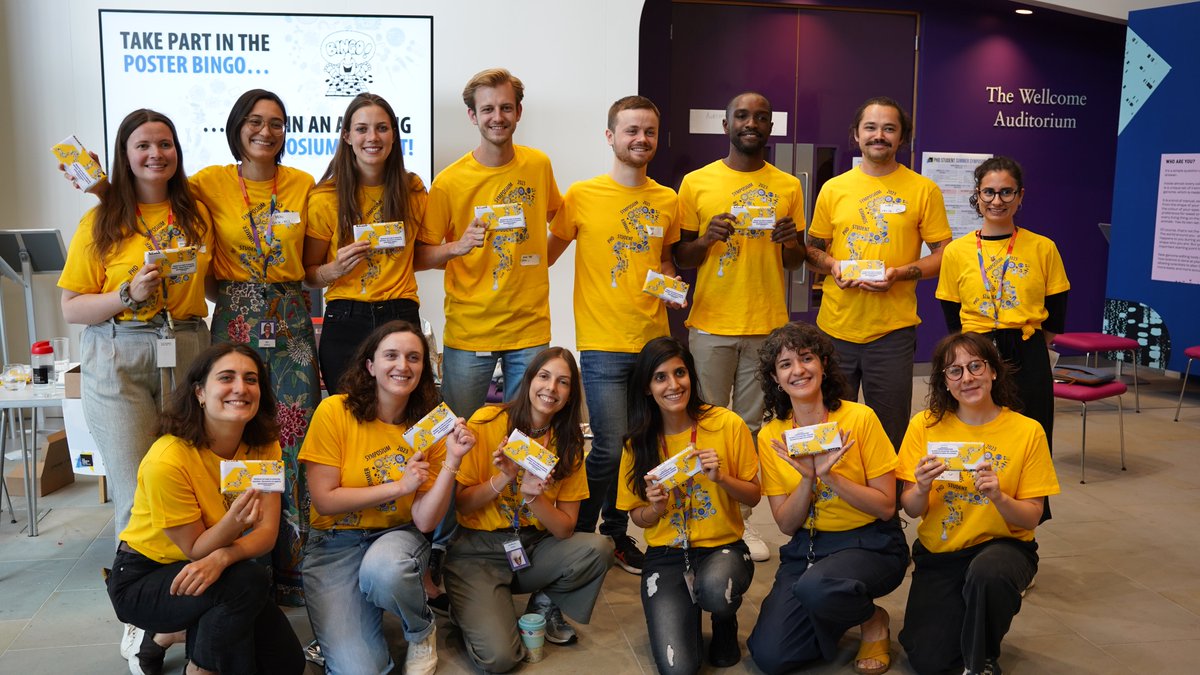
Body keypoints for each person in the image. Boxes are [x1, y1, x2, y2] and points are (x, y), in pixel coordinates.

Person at [415, 67, 563, 564]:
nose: (497, 117)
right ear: (472, 116)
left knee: (530, 433)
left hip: (529, 328)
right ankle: (446, 542)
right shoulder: (450, 180)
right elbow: (423, 254)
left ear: (518, 112)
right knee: (457, 436)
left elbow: (556, 225)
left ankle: (521, 530)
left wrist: (538, 263)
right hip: (470, 331)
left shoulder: (538, 165)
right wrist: (459, 247)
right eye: (488, 109)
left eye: (506, 108)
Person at [60, 109, 214, 543]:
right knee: (135, 486)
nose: (155, 154)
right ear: (124, 155)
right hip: (117, 356)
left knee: (188, 481)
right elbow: (72, 308)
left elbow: (213, 282)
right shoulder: (100, 221)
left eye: (164, 144)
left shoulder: (196, 214)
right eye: (142, 145)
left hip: (186, 348)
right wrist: (126, 295)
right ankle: (140, 603)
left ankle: (188, 589)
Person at [190, 89, 319, 604]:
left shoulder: (305, 185)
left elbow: (348, 203)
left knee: (293, 438)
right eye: (255, 121)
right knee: (232, 436)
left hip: (290, 321)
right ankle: (241, 565)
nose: (266, 131)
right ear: (236, 126)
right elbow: (152, 195)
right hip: (235, 318)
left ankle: (293, 566)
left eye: (277, 123)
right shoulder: (208, 183)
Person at [106, 343, 305, 675]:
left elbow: (267, 533)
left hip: (217, 568)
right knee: (245, 584)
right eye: (226, 378)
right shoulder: (167, 459)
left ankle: (169, 633)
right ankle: (199, 669)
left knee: (287, 665)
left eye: (251, 379)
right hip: (145, 577)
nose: (241, 388)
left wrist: (225, 555)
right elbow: (195, 548)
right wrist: (232, 525)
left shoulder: (264, 446)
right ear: (200, 392)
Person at [547, 95, 682, 575]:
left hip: (652, 342)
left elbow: (664, 260)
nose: (640, 139)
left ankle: (617, 532)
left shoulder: (668, 199)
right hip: (602, 342)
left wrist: (671, 286)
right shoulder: (581, 196)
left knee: (638, 442)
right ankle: (580, 532)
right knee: (606, 443)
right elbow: (545, 255)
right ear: (610, 137)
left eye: (648, 131)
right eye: (630, 131)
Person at [672, 91, 806, 563]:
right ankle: (698, 513)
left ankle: (738, 524)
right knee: (704, 420)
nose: (752, 123)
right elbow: (680, 257)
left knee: (748, 428)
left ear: (771, 127)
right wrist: (707, 239)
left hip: (767, 325)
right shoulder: (696, 182)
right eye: (743, 116)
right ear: (726, 123)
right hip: (710, 322)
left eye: (761, 117)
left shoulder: (789, 185)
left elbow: (794, 263)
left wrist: (792, 243)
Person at [298, 320, 475, 675]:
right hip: (334, 544)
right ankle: (362, 614)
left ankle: (421, 630)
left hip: (394, 538)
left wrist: (453, 460)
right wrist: (398, 487)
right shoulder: (335, 411)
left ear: (424, 368)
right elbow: (324, 501)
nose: (402, 366)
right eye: (391, 355)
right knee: (358, 670)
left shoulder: (431, 426)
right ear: (370, 365)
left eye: (414, 357)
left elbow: (425, 521)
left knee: (385, 570)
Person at [747, 322, 908, 675]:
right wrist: (807, 480)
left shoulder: (859, 418)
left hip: (870, 542)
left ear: (822, 365)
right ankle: (830, 603)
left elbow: (885, 506)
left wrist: (830, 476)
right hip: (808, 546)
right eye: (785, 364)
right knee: (771, 656)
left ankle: (871, 619)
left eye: (806, 358)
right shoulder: (773, 435)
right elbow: (787, 524)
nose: (798, 370)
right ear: (775, 378)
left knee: (818, 586)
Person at [897, 332, 1060, 675]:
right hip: (941, 552)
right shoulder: (924, 426)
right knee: (928, 659)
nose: (967, 378)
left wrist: (999, 497)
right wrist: (921, 486)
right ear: (944, 381)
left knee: (989, 574)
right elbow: (912, 508)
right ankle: (965, 633)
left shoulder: (1026, 431)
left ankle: (982, 657)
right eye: (954, 371)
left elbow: (1031, 517)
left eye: (975, 366)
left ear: (994, 371)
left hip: (1004, 546)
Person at [443, 347, 614, 673]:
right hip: (477, 551)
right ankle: (468, 607)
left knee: (598, 548)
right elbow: (461, 504)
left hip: (532, 547)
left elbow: (565, 529)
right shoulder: (488, 422)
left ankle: (545, 603)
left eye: (563, 382)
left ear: (570, 394)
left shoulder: (569, 443)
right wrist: (503, 477)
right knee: (502, 658)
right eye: (545, 376)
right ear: (529, 379)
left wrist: (534, 498)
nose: (551, 388)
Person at [805, 96, 953, 451]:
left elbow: (946, 255)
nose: (879, 135)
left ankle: (886, 508)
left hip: (892, 334)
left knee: (890, 434)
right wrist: (832, 265)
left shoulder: (923, 189)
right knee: (831, 428)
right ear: (856, 134)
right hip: (835, 330)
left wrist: (901, 273)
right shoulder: (834, 188)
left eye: (889, 128)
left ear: (902, 138)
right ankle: (836, 504)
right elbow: (809, 251)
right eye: (871, 127)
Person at [616, 336, 761, 674]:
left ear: (691, 376)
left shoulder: (726, 423)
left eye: (680, 373)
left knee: (716, 591)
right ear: (646, 388)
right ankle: (687, 615)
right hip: (666, 554)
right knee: (677, 668)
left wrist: (722, 477)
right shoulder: (636, 443)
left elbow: (754, 495)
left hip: (722, 547)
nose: (673, 384)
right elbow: (639, 519)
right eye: (660, 377)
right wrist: (655, 506)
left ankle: (723, 618)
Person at [936, 156, 1069, 454]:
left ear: (1020, 196)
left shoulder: (1043, 247)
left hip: (1027, 349)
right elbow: (950, 311)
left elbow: (1057, 310)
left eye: (1006, 192)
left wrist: (1032, 345)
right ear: (978, 195)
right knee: (978, 433)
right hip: (975, 350)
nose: (997, 200)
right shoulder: (957, 251)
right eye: (989, 192)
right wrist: (969, 349)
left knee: (1031, 435)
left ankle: (1033, 501)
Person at [303, 93, 429, 393]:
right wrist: (334, 269)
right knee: (348, 417)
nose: (372, 137)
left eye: (382, 128)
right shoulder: (325, 197)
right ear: (347, 135)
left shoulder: (412, 189)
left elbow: (420, 255)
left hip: (401, 314)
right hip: (346, 318)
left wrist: (458, 247)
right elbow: (308, 275)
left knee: (405, 416)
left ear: (394, 134)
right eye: (361, 128)